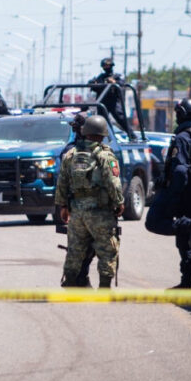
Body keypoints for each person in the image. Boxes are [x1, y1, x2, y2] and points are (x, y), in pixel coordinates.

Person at [145, 98, 191, 289]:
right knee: (188, 240)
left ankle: (187, 283)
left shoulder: (182, 138)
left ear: (182, 115)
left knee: (157, 223)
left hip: (187, 194)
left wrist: (174, 197)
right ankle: (186, 283)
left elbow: (180, 171)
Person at [55, 114, 125, 289]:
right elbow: (113, 182)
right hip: (100, 212)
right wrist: (119, 203)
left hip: (77, 212)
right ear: (102, 134)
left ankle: (70, 283)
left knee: (75, 250)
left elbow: (62, 182)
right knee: (107, 250)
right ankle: (104, 288)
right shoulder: (105, 155)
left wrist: (63, 206)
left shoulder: (70, 154)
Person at [57, 113, 97, 287]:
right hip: (77, 206)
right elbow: (63, 181)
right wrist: (63, 205)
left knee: (92, 244)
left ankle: (80, 276)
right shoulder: (70, 151)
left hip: (95, 205)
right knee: (79, 245)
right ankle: (76, 278)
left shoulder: (99, 149)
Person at [89, 57, 135, 139]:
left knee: (121, 119)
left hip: (113, 102)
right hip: (102, 102)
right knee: (103, 121)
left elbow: (122, 85)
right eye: (104, 66)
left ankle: (132, 135)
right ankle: (110, 137)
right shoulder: (100, 78)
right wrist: (93, 83)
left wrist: (114, 82)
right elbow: (94, 87)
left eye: (107, 66)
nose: (105, 68)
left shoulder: (116, 77)